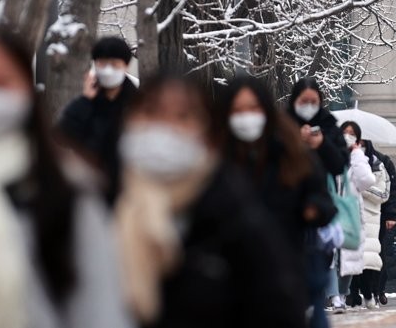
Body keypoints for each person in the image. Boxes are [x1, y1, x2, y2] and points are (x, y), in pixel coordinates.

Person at [0, 28, 132, 328]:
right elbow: (66, 135)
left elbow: (98, 307)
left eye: (0, 84)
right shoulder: (81, 108)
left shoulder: (65, 192)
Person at [114, 74, 304, 328]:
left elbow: (278, 304)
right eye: (152, 113)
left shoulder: (231, 208)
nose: (166, 128)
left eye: (182, 116)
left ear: (204, 129)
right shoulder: (102, 198)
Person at [216, 75, 336, 328]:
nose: (246, 117)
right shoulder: (215, 157)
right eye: (238, 110)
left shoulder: (290, 153)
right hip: (230, 277)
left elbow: (321, 198)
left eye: (252, 108)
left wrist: (313, 209)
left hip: (283, 272)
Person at [56, 35, 138, 200]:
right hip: (88, 189)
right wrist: (85, 100)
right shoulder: (85, 103)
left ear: (126, 66)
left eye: (114, 64)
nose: (108, 70)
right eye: (102, 63)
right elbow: (63, 136)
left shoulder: (137, 104)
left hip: (129, 189)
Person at [340, 121, 390, 309]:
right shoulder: (338, 160)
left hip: (369, 215)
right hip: (347, 212)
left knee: (369, 259)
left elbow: (384, 193)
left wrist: (362, 189)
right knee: (348, 255)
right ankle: (349, 295)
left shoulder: (378, 165)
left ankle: (370, 293)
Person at [330, 126, 377, 313]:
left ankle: (341, 293)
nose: (348, 137)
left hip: (350, 213)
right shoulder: (330, 153)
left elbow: (366, 181)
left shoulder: (358, 159)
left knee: (348, 257)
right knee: (330, 257)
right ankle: (334, 297)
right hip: (330, 210)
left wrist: (357, 154)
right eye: (345, 133)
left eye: (352, 134)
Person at [287, 77, 348, 177]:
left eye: (313, 102)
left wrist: (322, 143)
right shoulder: (281, 123)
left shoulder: (328, 124)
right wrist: (295, 139)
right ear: (294, 100)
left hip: (320, 189)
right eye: (304, 101)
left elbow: (340, 166)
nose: (309, 106)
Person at [374, 143, 396, 305]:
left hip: (379, 214)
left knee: (378, 254)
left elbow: (393, 189)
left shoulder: (383, 161)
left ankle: (378, 289)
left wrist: (391, 215)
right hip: (355, 213)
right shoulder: (345, 159)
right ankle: (354, 291)